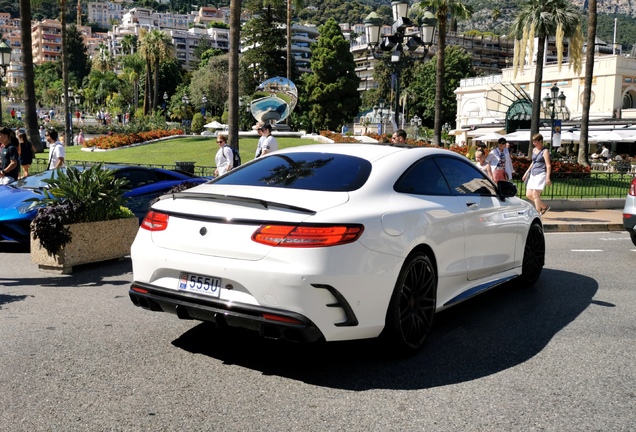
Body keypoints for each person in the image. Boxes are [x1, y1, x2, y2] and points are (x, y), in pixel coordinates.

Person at [522, 133, 552, 215]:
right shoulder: (534, 150)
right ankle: (544, 206)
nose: (534, 143)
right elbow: (533, 162)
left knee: (535, 194)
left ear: (540, 141)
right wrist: (526, 172)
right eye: (533, 141)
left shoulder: (545, 151)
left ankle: (537, 213)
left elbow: (548, 165)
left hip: (541, 173)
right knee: (528, 194)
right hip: (533, 173)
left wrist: (547, 177)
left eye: (535, 141)